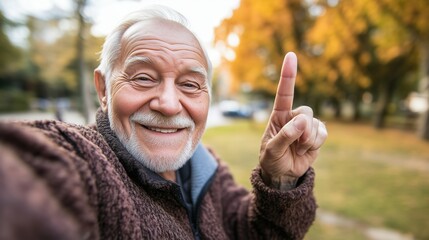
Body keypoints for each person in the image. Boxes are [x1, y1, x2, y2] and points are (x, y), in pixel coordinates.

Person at [0, 5, 327, 240]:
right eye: (143, 78)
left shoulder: (207, 167)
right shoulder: (85, 160)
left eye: (189, 84)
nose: (169, 105)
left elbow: (254, 232)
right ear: (103, 89)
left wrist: (280, 181)